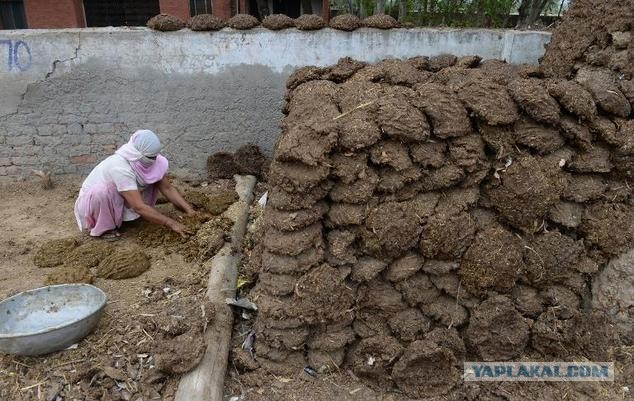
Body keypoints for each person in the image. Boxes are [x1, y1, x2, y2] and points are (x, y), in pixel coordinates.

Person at [74, 129, 194, 240]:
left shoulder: (149, 159)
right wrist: (172, 223)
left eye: (155, 156)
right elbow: (138, 207)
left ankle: (122, 217)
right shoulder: (120, 167)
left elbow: (167, 188)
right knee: (103, 191)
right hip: (93, 204)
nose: (155, 159)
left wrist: (190, 211)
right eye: (151, 157)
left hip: (122, 197)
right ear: (139, 154)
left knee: (152, 177)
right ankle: (104, 228)